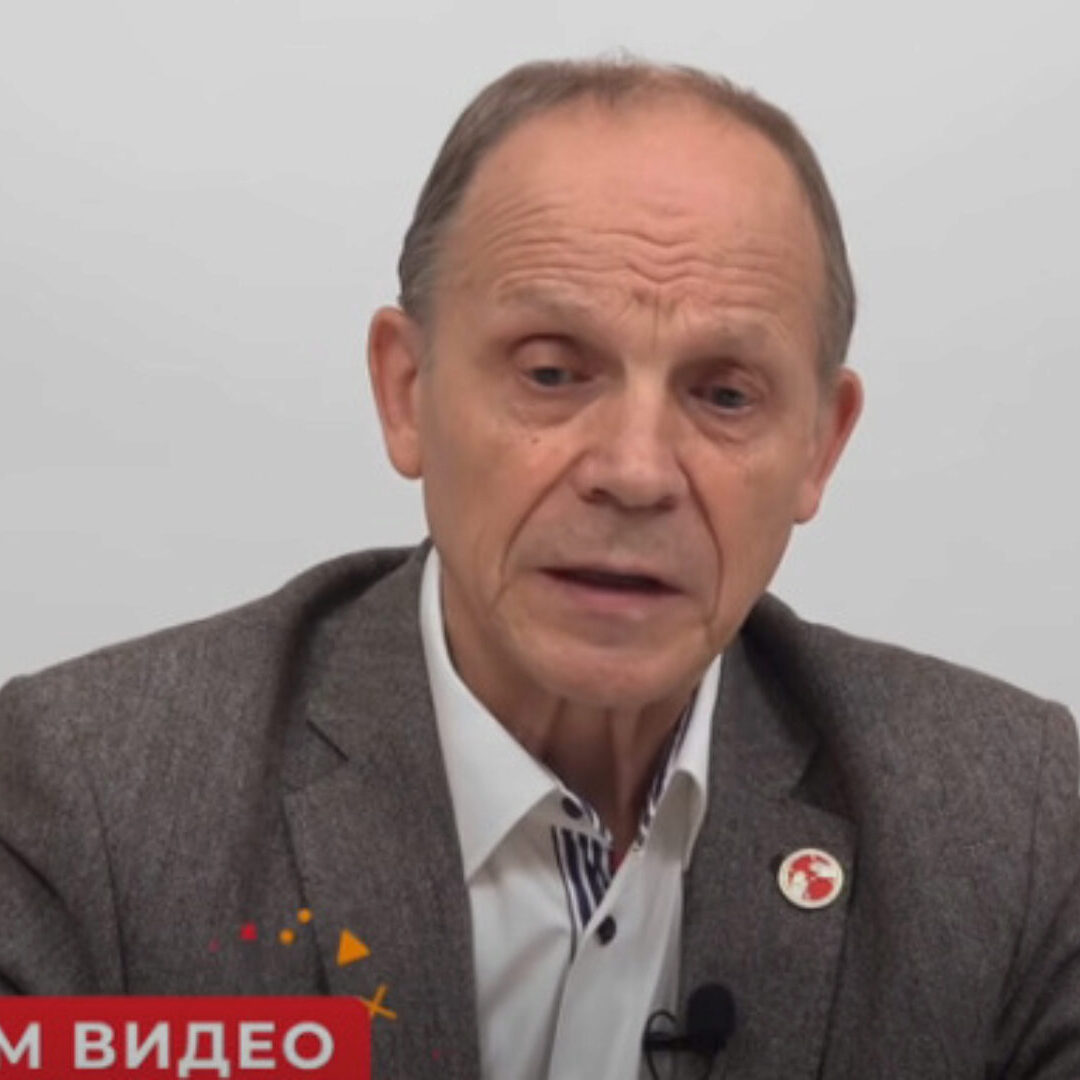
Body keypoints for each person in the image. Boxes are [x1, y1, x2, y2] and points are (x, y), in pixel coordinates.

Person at [1, 57, 1078, 1080]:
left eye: (724, 395)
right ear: (406, 392)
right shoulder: (99, 804)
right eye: (553, 373)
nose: (636, 471)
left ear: (818, 447)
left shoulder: (1006, 824)